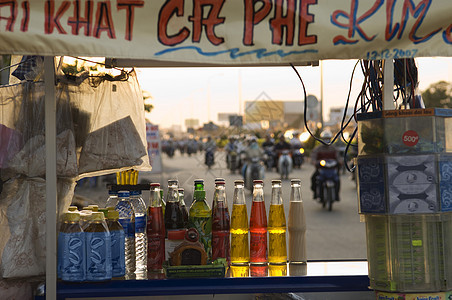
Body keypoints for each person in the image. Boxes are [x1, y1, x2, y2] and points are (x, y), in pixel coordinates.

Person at [310, 130, 340, 200]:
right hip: (321, 169)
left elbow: (338, 157)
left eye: (328, 138)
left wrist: (340, 161)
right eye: (325, 139)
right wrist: (314, 162)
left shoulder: (334, 148)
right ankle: (315, 193)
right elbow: (313, 156)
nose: (326, 140)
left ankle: (336, 195)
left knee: (337, 180)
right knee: (313, 178)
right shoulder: (317, 149)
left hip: (332, 169)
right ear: (322, 139)